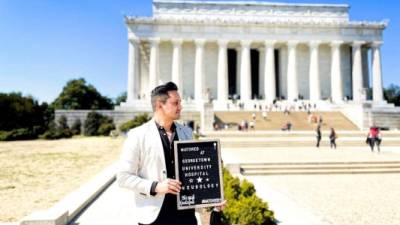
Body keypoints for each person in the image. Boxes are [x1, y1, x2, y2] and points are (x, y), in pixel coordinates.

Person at [117, 82, 224, 225]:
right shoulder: (137, 135)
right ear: (159, 105)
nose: (181, 107)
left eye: (180, 102)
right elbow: (123, 177)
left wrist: (212, 198)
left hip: (186, 215)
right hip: (154, 216)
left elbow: (194, 171)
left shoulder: (186, 132)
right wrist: (156, 186)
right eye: (176, 103)